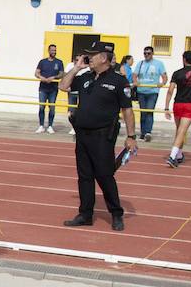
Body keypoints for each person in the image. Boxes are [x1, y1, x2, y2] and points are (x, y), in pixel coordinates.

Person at [60, 42, 137, 232]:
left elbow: (127, 110)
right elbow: (63, 86)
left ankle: (116, 213)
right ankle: (85, 214)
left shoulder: (119, 81)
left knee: (104, 175)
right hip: (82, 134)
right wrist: (77, 68)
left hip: (103, 136)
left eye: (92, 55)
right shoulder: (85, 77)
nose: (88, 58)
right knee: (84, 176)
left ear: (104, 57)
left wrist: (131, 136)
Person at [163, 50, 191, 168]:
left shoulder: (177, 73)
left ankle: (179, 155)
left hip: (178, 103)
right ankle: (172, 156)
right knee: (182, 131)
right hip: (190, 104)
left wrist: (166, 107)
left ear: (184, 59)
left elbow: (170, 91)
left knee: (179, 130)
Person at [133, 46, 167, 141]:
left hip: (152, 91)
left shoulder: (159, 64)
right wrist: (135, 81)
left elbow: (164, 76)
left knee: (149, 111)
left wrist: (162, 83)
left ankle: (148, 132)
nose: (146, 55)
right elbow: (134, 75)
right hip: (141, 91)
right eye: (145, 53)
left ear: (152, 54)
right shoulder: (140, 63)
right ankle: (143, 132)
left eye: (148, 53)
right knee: (143, 112)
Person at [34, 43, 64, 134]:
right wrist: (41, 77)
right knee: (42, 107)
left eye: (55, 50)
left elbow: (61, 74)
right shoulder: (42, 62)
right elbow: (36, 73)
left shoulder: (59, 62)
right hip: (43, 88)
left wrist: (54, 77)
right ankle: (41, 125)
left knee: (52, 107)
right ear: (48, 51)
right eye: (52, 50)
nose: (54, 52)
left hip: (53, 88)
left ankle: (50, 126)